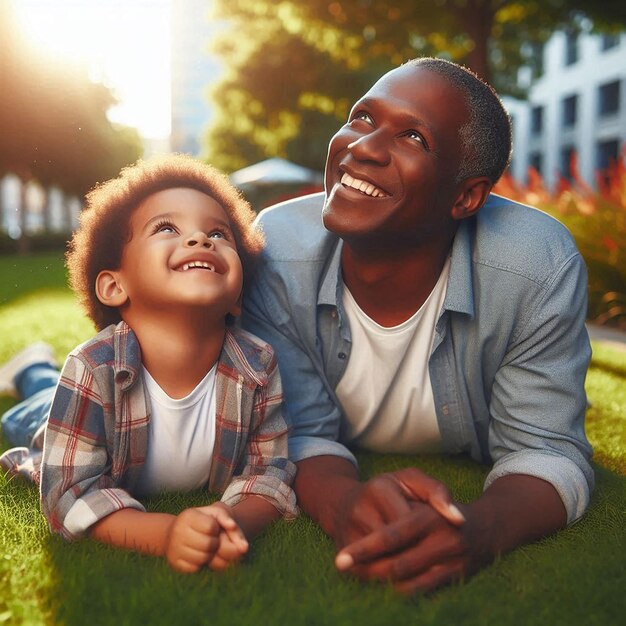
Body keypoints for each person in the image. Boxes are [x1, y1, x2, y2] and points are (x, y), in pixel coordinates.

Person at [240, 57, 593, 593]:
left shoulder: (536, 266)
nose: (362, 147)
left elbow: (545, 449)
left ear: (466, 196)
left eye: (412, 137)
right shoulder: (279, 247)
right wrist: (342, 505)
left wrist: (478, 530)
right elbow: (296, 429)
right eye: (362, 117)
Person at [0, 154, 297, 574]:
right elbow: (70, 492)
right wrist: (165, 533)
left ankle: (36, 370)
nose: (200, 239)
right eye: (167, 228)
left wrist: (232, 523)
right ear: (114, 285)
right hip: (62, 422)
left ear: (237, 296)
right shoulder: (92, 368)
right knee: (33, 411)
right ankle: (32, 370)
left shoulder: (258, 365)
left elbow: (272, 471)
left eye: (217, 232)